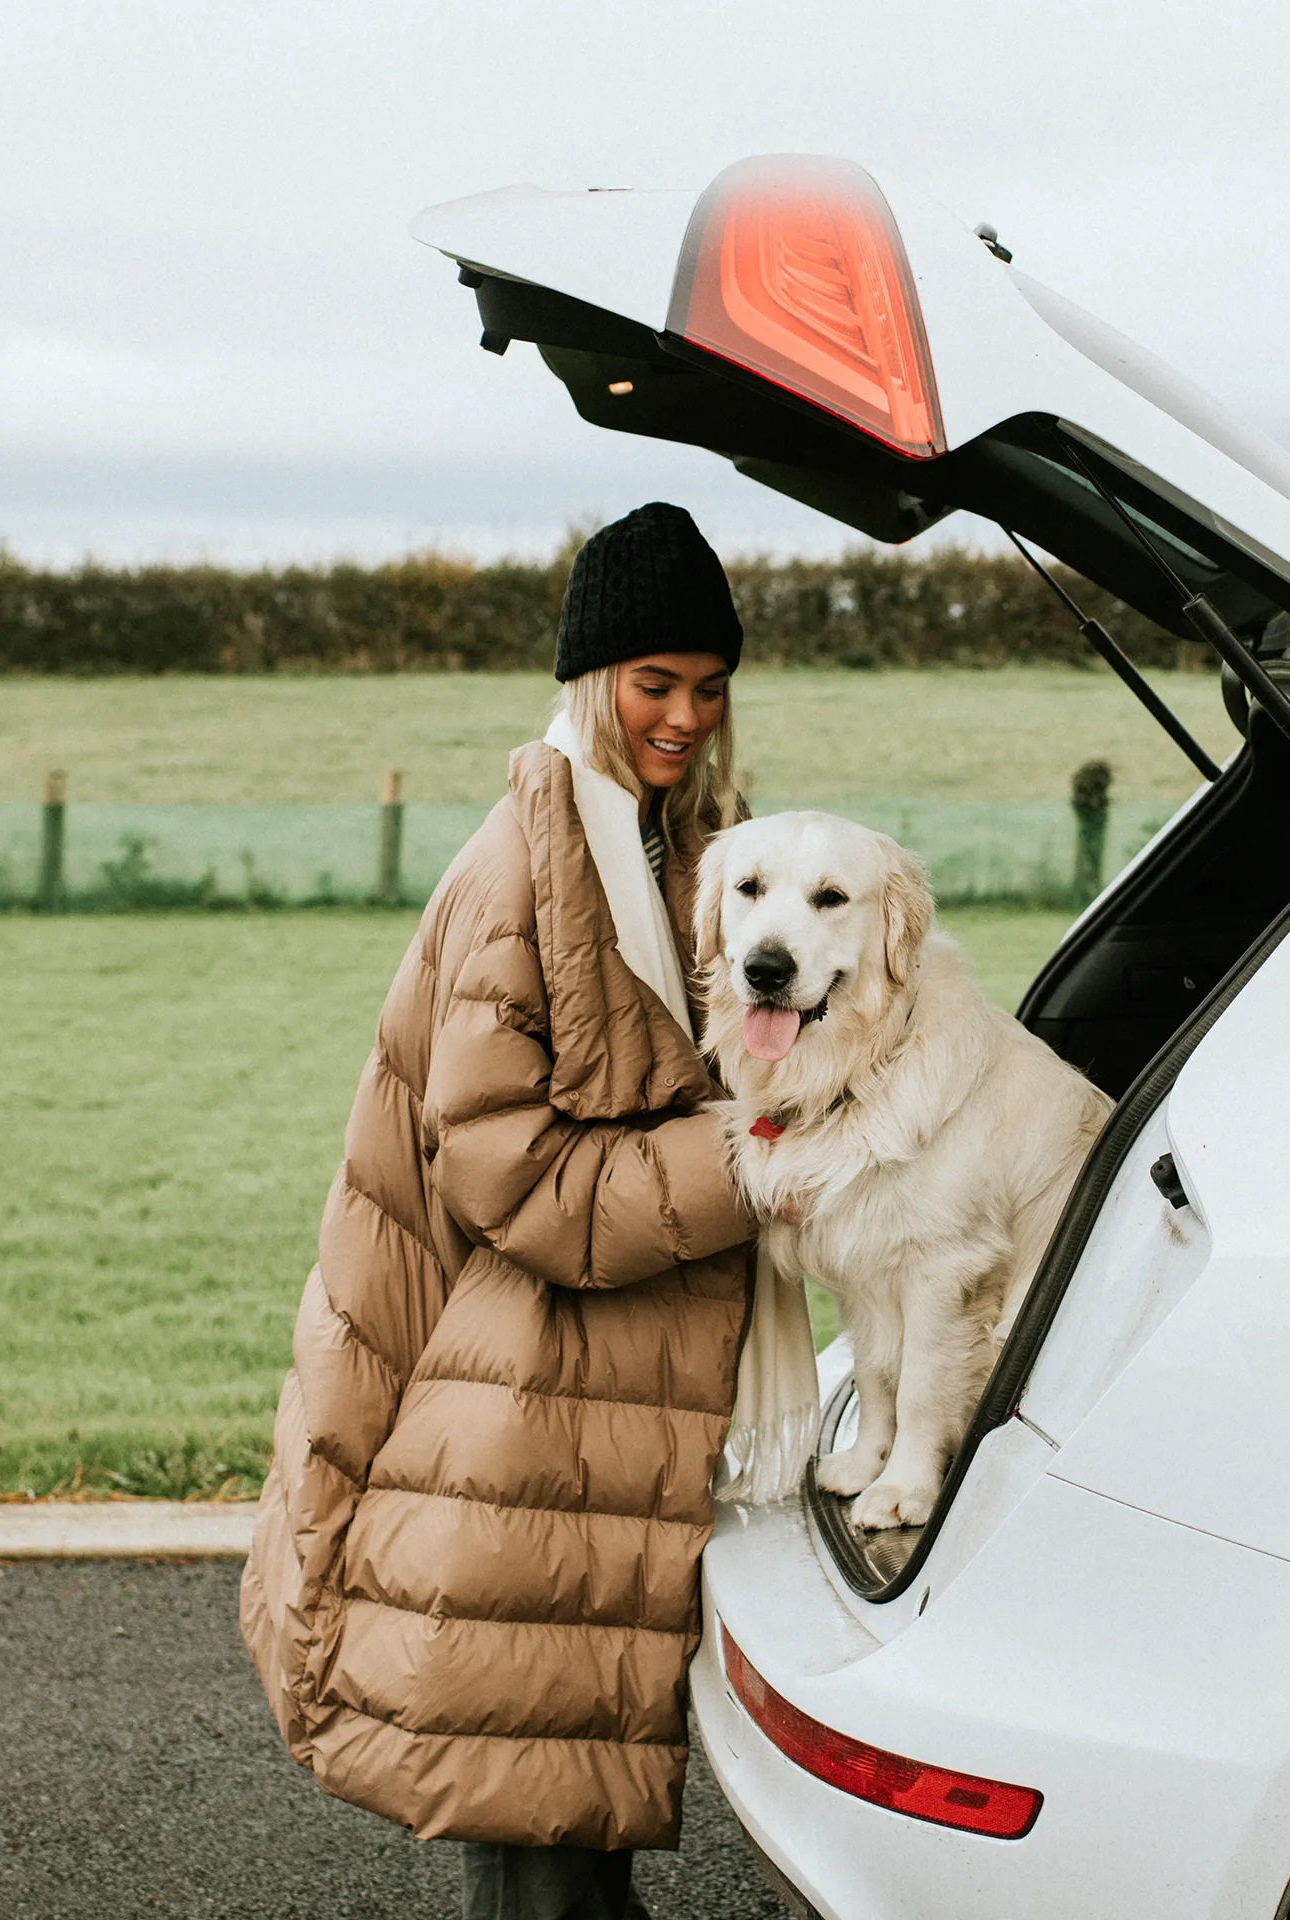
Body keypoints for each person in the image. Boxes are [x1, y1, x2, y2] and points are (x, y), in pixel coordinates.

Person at [240, 502, 760, 1920]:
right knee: (544, 1862)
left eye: (708, 688)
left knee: (565, 1847)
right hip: (520, 1421)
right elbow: (520, 1182)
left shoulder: (676, 853)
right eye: (654, 684)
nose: (685, 717)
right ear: (591, 683)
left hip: (592, 1419)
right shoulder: (521, 873)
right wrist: (761, 1154)